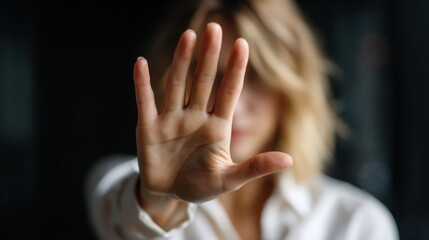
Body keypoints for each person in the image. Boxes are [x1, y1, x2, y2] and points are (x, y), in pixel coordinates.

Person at [86, 0, 399, 239]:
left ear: (292, 87)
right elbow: (123, 217)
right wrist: (158, 199)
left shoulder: (356, 222)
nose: (233, 106)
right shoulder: (120, 183)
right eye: (211, 77)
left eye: (258, 75)